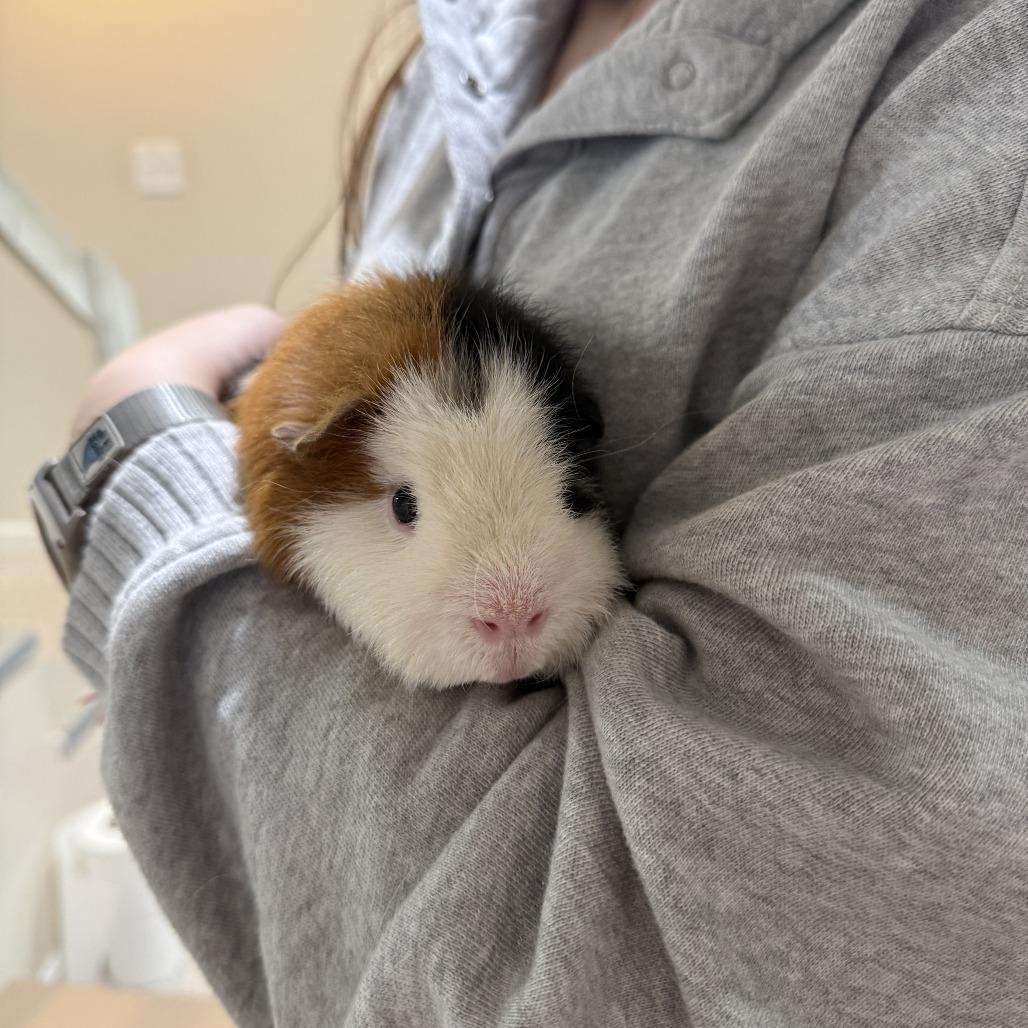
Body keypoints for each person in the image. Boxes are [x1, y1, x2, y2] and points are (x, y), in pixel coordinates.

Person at [51, 0, 1028, 1024]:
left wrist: (148, 535)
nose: (512, 607)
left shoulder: (972, 99)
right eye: (404, 504)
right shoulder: (454, 60)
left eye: (576, 494)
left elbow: (674, 957)